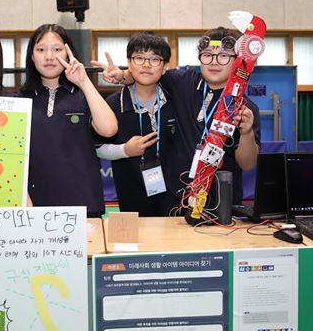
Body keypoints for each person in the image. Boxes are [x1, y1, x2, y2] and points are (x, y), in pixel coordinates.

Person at [94, 27, 261, 213]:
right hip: (176, 198)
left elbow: (248, 164)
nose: (214, 62)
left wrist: (246, 133)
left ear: (238, 61)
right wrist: (123, 76)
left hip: (222, 200)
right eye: (207, 55)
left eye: (223, 56)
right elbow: (150, 72)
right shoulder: (183, 82)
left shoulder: (244, 108)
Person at [18, 24, 117, 217]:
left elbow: (109, 129)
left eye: (56, 49)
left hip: (83, 205)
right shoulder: (19, 102)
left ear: (68, 53)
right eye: (40, 49)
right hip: (33, 207)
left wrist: (83, 81)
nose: (49, 56)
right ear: (31, 56)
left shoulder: (83, 95)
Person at [96, 32, 175, 216]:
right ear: (129, 63)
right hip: (131, 202)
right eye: (139, 58)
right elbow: (95, 147)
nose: (146, 65)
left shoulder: (177, 100)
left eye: (155, 59)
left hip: (176, 202)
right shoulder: (113, 104)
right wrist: (125, 150)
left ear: (164, 67)